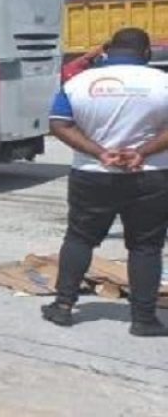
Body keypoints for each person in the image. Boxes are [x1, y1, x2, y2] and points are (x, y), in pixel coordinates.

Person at [44, 28, 168, 337]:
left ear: (108, 51)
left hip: (91, 175)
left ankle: (62, 307)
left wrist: (100, 153)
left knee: (80, 238)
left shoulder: (79, 83)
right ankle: (143, 319)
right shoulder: (163, 83)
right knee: (145, 246)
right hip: (150, 176)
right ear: (146, 54)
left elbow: (59, 124)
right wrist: (141, 152)